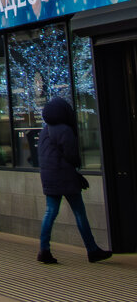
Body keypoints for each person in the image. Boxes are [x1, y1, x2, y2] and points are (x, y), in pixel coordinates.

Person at [36, 97, 111, 264]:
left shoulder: (44, 130)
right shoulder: (64, 130)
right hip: (65, 177)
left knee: (50, 212)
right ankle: (92, 250)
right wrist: (77, 167)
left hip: (49, 177)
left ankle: (44, 249)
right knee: (79, 213)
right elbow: (72, 155)